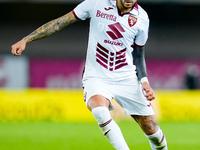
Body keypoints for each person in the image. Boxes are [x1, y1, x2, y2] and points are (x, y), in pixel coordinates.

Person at [11, 0, 168, 149]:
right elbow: (59, 23)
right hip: (96, 76)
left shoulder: (142, 17)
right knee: (99, 110)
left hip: (126, 77)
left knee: (152, 130)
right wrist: (27, 39)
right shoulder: (95, 4)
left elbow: (139, 56)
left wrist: (144, 82)